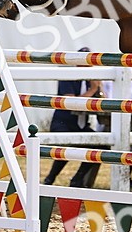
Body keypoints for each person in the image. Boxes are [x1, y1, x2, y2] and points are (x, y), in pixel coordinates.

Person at [42, 48, 105, 188]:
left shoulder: (91, 80)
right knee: (67, 146)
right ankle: (50, 178)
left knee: (101, 145)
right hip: (63, 122)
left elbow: (102, 102)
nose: (90, 66)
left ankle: (78, 179)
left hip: (81, 124)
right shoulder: (68, 76)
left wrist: (99, 88)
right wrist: (93, 90)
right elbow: (71, 104)